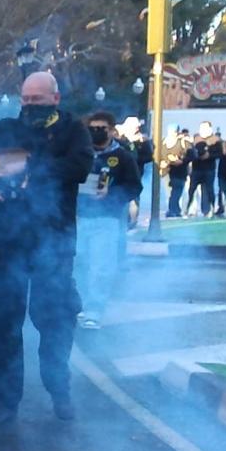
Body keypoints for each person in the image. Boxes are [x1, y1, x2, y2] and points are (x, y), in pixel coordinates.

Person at [0, 71, 93, 425]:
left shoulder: (72, 130)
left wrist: (27, 171)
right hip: (6, 243)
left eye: (38, 99)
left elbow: (79, 166)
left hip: (53, 242)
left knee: (54, 319)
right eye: (26, 99)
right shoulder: (5, 129)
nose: (30, 105)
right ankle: (4, 401)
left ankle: (59, 388)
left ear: (55, 99)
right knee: (4, 322)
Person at [74, 111, 142, 330]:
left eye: (102, 128)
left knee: (101, 267)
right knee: (78, 264)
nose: (97, 132)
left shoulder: (123, 157)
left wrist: (110, 195)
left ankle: (94, 310)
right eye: (92, 128)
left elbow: (134, 186)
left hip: (107, 219)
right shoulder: (80, 154)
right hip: (79, 217)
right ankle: (79, 306)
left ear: (112, 130)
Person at [186, 122, 222, 217]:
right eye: (201, 128)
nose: (203, 130)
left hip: (209, 169)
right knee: (191, 189)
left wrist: (209, 155)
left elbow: (220, 153)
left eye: (205, 128)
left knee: (208, 190)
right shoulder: (195, 139)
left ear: (210, 129)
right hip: (196, 168)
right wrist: (195, 156)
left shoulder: (216, 140)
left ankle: (208, 210)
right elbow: (189, 152)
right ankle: (188, 209)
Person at [162, 127, 190, 218]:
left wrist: (182, 161)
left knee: (176, 192)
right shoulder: (163, 142)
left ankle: (173, 210)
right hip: (166, 171)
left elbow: (192, 155)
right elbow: (156, 154)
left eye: (174, 132)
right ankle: (174, 210)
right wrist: (162, 162)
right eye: (171, 131)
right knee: (169, 193)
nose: (172, 134)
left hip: (179, 172)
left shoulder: (183, 143)